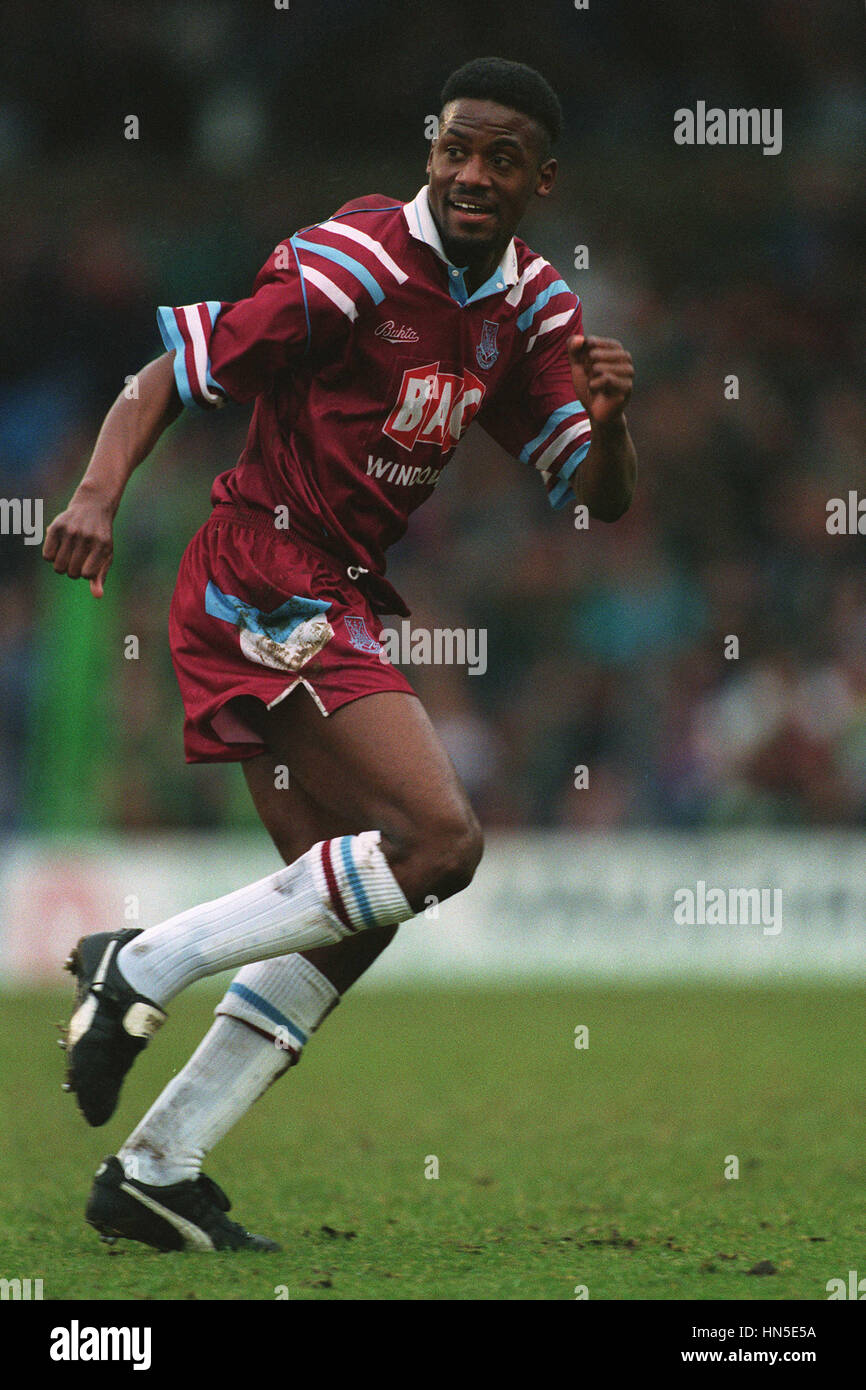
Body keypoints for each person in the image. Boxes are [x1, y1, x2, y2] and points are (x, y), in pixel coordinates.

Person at [44, 56, 636, 1252]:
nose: (471, 173)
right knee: (439, 842)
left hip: (326, 591)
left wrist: (612, 425)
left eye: (500, 159)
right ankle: (140, 962)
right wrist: (100, 493)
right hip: (258, 571)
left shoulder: (530, 310)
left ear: (540, 179)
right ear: (429, 148)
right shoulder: (353, 262)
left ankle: (157, 1169)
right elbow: (169, 368)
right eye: (454, 148)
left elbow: (595, 492)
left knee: (353, 906)